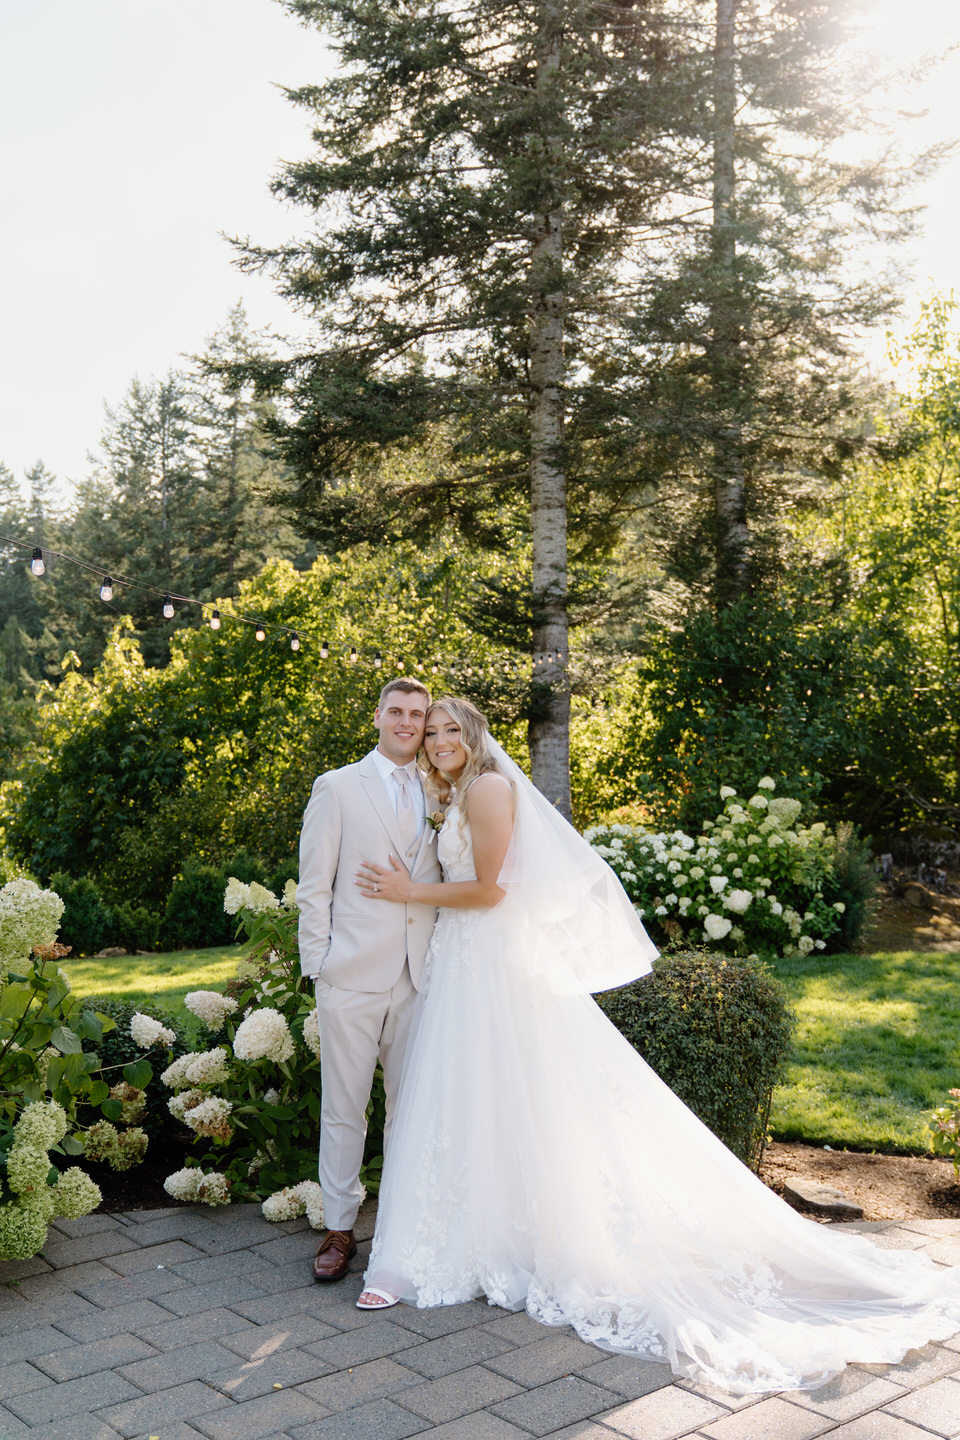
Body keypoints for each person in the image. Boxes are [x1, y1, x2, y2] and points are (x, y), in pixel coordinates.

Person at [351, 696, 960, 1395]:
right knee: (472, 1100)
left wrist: (408, 892)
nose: (437, 741)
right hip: (464, 967)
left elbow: (490, 891)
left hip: (490, 967)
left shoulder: (488, 787)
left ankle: (469, 1250)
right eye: (430, 733)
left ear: (475, 733)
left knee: (501, 1090)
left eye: (449, 729)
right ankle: (468, 1244)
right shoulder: (457, 791)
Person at [297, 676, 443, 1281]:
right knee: (345, 1108)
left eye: (419, 714)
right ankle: (339, 1229)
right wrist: (320, 969)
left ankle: (405, 1226)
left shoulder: (444, 789)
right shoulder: (337, 788)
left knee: (412, 1108)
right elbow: (314, 885)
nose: (408, 723)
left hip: (422, 976)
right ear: (378, 716)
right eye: (398, 712)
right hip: (350, 975)